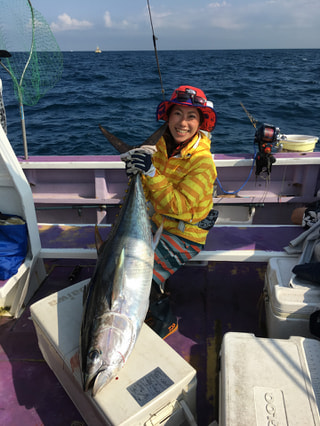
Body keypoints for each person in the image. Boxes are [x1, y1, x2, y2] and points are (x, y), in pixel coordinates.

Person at [122, 85, 218, 338]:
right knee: (118, 267)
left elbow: (181, 207)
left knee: (142, 278)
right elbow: (146, 188)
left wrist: (151, 173)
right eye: (177, 114)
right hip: (156, 224)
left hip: (186, 235)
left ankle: (164, 323)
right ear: (168, 116)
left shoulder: (203, 163)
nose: (182, 123)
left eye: (191, 116)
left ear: (200, 123)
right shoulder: (161, 147)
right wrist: (137, 174)